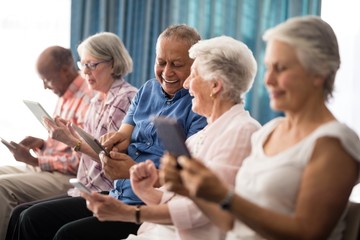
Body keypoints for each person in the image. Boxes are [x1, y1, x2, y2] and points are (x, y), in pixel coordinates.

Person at [161, 16, 360, 240]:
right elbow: (230, 221)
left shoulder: (334, 143)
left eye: (281, 68)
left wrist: (225, 196)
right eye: (268, 68)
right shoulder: (268, 132)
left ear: (318, 73)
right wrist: (191, 188)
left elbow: (308, 233)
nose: (269, 80)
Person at [16, 24, 207, 240]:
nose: (167, 72)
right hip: (118, 193)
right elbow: (124, 136)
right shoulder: (147, 90)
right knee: (30, 217)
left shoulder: (198, 107)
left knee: (66, 234)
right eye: (161, 62)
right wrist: (110, 144)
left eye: (177, 64)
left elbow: (186, 181)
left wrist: (131, 169)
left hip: (147, 204)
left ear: (195, 65)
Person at [82, 35, 262, 240]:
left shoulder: (242, 131)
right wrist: (145, 188)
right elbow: (176, 197)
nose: (186, 85)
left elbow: (205, 211)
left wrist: (130, 213)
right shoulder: (199, 137)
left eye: (193, 76)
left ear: (215, 86)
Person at [6, 32, 138, 240]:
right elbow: (88, 150)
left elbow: (113, 160)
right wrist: (66, 136)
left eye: (92, 65)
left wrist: (70, 140)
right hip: (85, 187)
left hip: (106, 191)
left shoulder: (125, 99)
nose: (84, 72)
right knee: (19, 214)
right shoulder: (97, 100)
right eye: (82, 64)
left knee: (30, 218)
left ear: (113, 64)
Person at [0, 46, 94, 240]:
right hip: (50, 167)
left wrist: (35, 162)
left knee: (2, 187)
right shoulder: (66, 94)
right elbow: (65, 144)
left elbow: (81, 160)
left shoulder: (88, 100)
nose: (44, 86)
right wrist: (43, 145)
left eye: (47, 79)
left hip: (66, 175)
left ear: (65, 71)